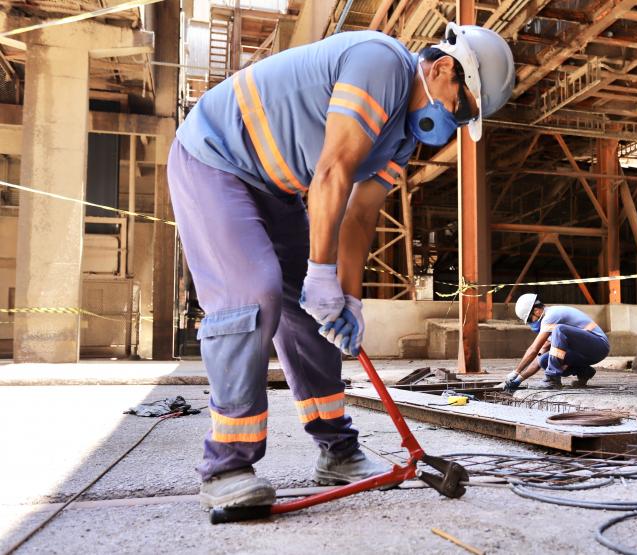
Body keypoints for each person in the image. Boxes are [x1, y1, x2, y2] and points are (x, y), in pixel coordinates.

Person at [168, 24, 515, 510]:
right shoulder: (381, 65)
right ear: (441, 69)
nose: (455, 123)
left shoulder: (400, 141)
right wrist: (320, 272)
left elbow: (359, 214)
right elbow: (332, 170)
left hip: (274, 187)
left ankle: (338, 451)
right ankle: (225, 465)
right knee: (254, 292)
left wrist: (346, 298)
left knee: (315, 318)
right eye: (462, 108)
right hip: (213, 159)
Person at [503, 293, 610, 391]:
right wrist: (519, 379)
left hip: (599, 345)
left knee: (560, 329)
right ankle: (584, 372)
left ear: (537, 311)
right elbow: (539, 356)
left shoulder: (551, 316)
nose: (531, 323)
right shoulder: (552, 327)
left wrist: (516, 371)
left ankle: (552, 379)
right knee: (544, 360)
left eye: (530, 320)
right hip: (586, 352)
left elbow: (533, 349)